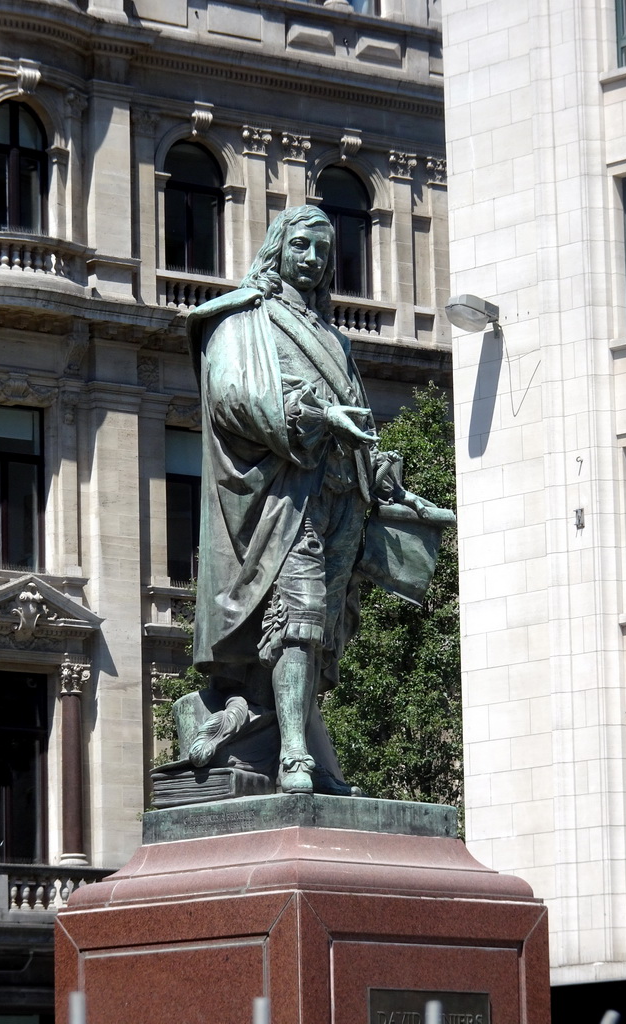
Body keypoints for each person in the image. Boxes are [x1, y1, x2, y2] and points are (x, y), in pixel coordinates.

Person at [184, 206, 424, 796]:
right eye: (303, 246)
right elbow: (230, 396)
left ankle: (304, 744)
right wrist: (312, 415)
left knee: (324, 630)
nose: (314, 259)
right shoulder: (244, 320)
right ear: (278, 248)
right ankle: (294, 754)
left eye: (324, 250)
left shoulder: (336, 340)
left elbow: (358, 422)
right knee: (301, 614)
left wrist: (384, 473)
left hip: (340, 498)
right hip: (283, 500)